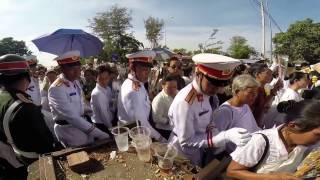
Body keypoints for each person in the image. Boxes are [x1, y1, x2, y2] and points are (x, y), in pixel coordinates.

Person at [168, 53, 251, 166]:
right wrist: (223, 136)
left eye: (221, 84)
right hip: (182, 154)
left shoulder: (206, 93)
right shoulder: (185, 103)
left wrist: (215, 133)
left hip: (199, 148)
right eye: (212, 84)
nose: (216, 89)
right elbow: (187, 141)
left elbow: (207, 120)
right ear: (198, 75)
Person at [227, 100, 320, 179]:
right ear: (293, 126)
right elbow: (232, 171)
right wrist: (273, 177)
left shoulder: (306, 146)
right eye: (317, 134)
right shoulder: (261, 141)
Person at [0, 54, 55, 179]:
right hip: (32, 160)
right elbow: (45, 143)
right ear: (26, 76)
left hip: (14, 155)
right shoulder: (25, 107)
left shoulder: (3, 98)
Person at [48, 50, 109, 147]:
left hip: (83, 123)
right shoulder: (56, 88)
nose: (77, 73)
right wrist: (99, 133)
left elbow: (80, 103)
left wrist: (89, 111)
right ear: (62, 69)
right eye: (73, 69)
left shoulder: (75, 82)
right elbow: (72, 117)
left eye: (78, 69)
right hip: (69, 130)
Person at [117, 50, 165, 142]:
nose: (147, 72)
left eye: (148, 69)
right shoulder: (133, 90)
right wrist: (161, 138)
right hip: (135, 137)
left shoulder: (137, 83)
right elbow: (141, 124)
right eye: (143, 69)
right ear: (132, 68)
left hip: (140, 133)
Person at [212, 74, 261, 153]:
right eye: (251, 92)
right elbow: (216, 142)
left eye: (256, 93)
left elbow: (253, 128)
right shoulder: (224, 112)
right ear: (237, 92)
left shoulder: (245, 106)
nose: (255, 96)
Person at [248, 63, 283, 128]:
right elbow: (260, 107)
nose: (271, 76)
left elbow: (265, 105)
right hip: (250, 125)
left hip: (258, 124)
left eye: (271, 74)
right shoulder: (253, 90)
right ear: (257, 74)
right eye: (268, 74)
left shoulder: (264, 88)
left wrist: (275, 89)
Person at [90, 65, 114, 136]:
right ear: (95, 78)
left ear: (109, 77)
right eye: (101, 79)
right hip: (102, 125)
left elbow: (110, 104)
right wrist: (111, 128)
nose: (104, 81)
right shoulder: (97, 93)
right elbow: (104, 115)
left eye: (106, 78)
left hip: (109, 120)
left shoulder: (108, 89)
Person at [152, 75, 178, 140]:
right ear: (163, 86)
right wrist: (169, 121)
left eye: (174, 87)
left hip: (176, 127)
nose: (173, 90)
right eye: (169, 88)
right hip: (165, 130)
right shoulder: (159, 100)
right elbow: (156, 118)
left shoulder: (178, 93)